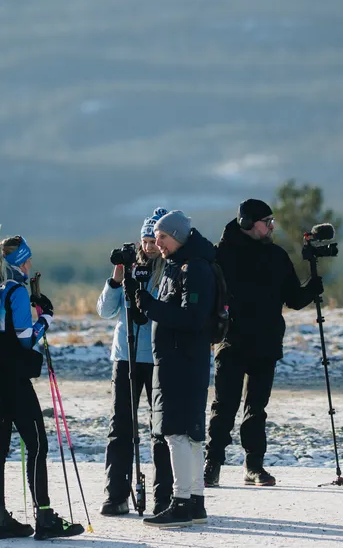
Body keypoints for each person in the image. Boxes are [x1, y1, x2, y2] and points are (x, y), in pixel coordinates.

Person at [0, 236, 84, 540]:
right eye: (27, 261)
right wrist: (46, 319)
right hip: (15, 381)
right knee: (37, 444)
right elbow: (26, 338)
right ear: (18, 263)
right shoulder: (15, 291)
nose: (29, 266)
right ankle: (45, 517)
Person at [204, 199, 324, 487]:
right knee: (224, 406)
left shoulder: (276, 256)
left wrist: (313, 284)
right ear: (247, 223)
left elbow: (293, 299)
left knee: (256, 409)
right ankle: (212, 463)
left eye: (272, 221)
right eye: (266, 221)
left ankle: (254, 465)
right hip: (231, 342)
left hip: (266, 343)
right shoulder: (220, 255)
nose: (272, 226)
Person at [135, 210, 215, 528]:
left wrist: (151, 306)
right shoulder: (180, 265)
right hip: (180, 360)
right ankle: (195, 501)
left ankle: (181, 502)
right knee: (190, 435)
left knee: (177, 434)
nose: (157, 244)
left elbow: (192, 318)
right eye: (155, 238)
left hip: (181, 362)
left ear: (178, 236)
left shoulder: (194, 268)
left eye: (162, 238)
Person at [96, 209, 174, 516]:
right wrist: (118, 275)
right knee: (120, 428)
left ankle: (163, 496)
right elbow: (105, 310)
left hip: (156, 357)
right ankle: (116, 495)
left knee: (161, 430)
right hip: (126, 357)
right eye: (145, 240)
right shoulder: (130, 268)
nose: (150, 247)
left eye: (154, 240)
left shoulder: (168, 269)